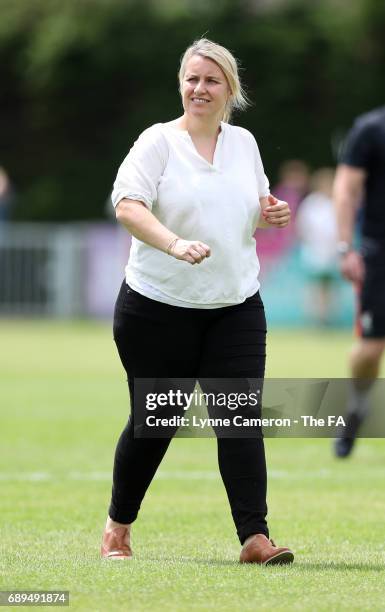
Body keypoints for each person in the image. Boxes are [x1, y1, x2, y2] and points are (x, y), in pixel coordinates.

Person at [101, 38, 294, 565]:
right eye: (191, 78)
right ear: (180, 85)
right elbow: (128, 206)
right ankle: (118, 528)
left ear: (229, 89)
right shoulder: (157, 143)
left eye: (211, 80)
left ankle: (255, 538)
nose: (198, 88)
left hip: (235, 305)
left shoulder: (244, 144)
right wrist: (174, 243)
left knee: (239, 418)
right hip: (157, 306)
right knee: (157, 419)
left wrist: (269, 213)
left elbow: (251, 208)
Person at [333, 106, 385, 458]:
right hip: (379, 251)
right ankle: (357, 406)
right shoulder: (371, 128)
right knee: (370, 349)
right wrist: (346, 247)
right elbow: (346, 188)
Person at [296, 168, 338, 326]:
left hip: (331, 252)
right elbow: (304, 227)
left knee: (329, 287)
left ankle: (327, 317)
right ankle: (315, 318)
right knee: (315, 287)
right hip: (314, 251)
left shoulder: (334, 202)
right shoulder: (311, 203)